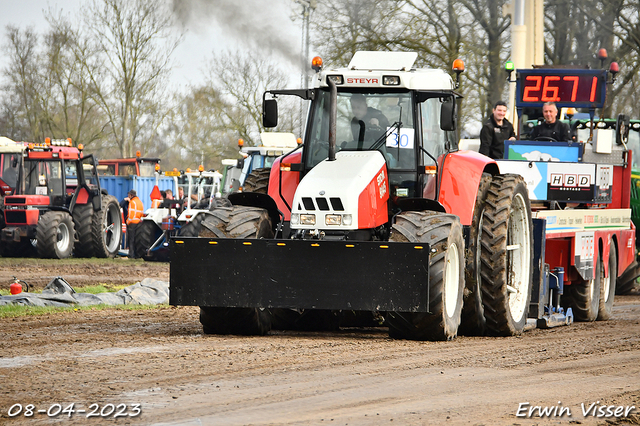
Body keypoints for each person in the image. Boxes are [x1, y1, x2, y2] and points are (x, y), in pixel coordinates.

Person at [124, 190, 144, 258]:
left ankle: (131, 255)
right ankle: (137, 255)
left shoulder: (132, 202)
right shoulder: (140, 202)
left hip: (132, 223)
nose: (128, 196)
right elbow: (141, 213)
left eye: (129, 195)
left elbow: (131, 214)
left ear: (131, 195)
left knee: (131, 240)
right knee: (137, 239)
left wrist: (128, 222)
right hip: (139, 222)